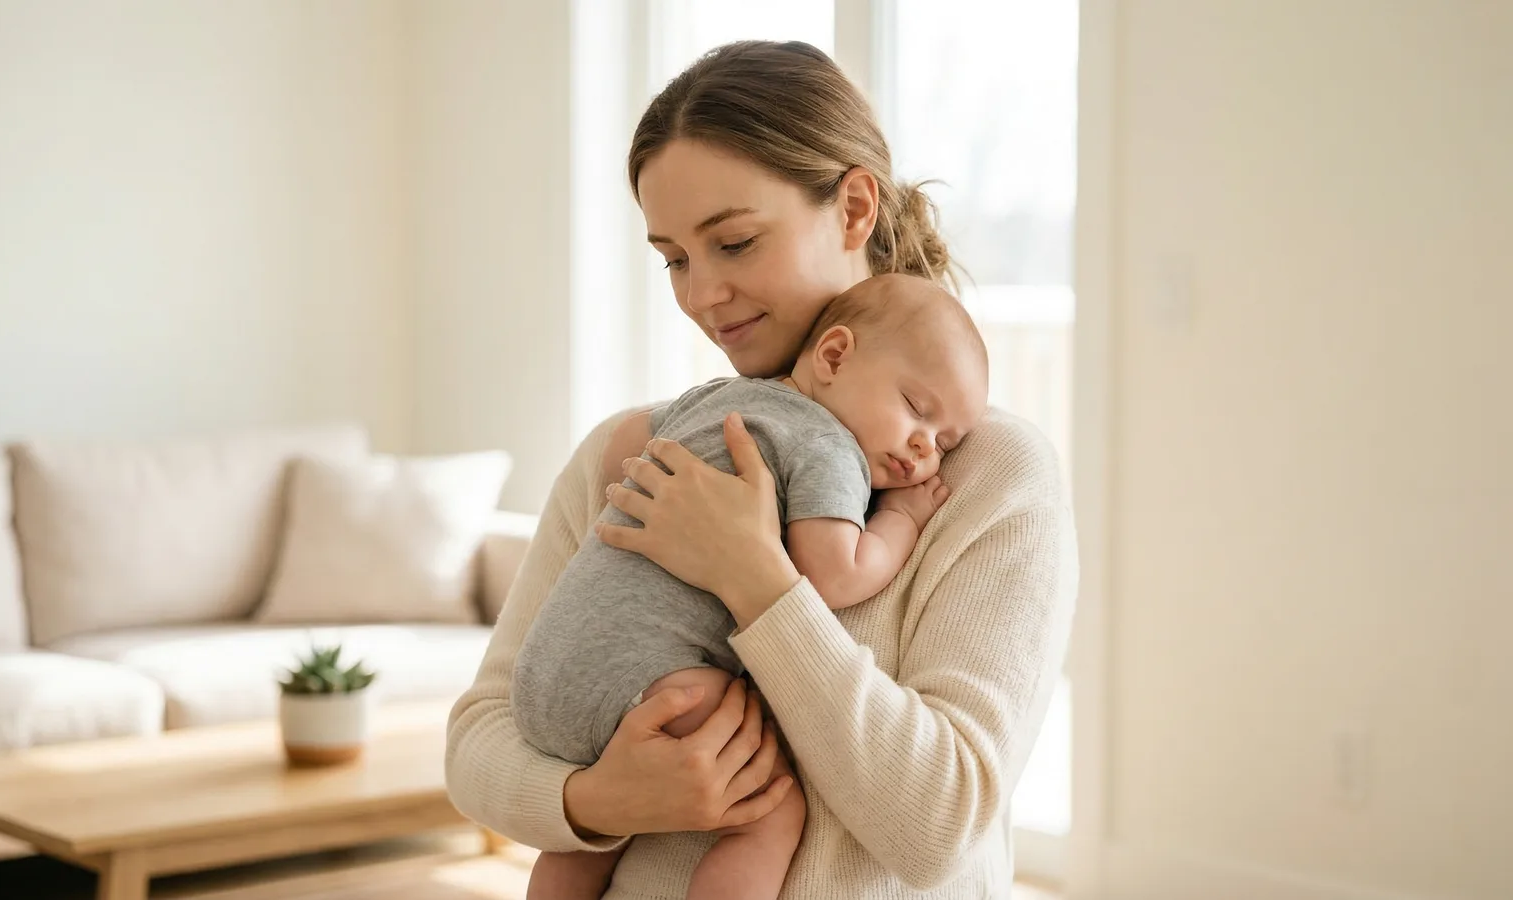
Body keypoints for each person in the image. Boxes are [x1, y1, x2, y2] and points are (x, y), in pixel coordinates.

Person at [446, 39, 1077, 897]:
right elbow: (478, 741)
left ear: (854, 208)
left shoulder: (985, 479)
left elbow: (938, 827)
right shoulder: (640, 451)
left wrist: (754, 578)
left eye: (735, 242)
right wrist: (596, 800)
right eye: (675, 259)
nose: (699, 295)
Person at [510, 274, 989, 900]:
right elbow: (833, 574)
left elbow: (621, 452)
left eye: (945, 442)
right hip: (647, 680)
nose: (924, 446)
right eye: (915, 409)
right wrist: (901, 518)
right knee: (769, 812)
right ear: (834, 356)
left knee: (592, 838)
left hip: (545, 672)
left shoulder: (721, 399)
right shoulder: (828, 446)